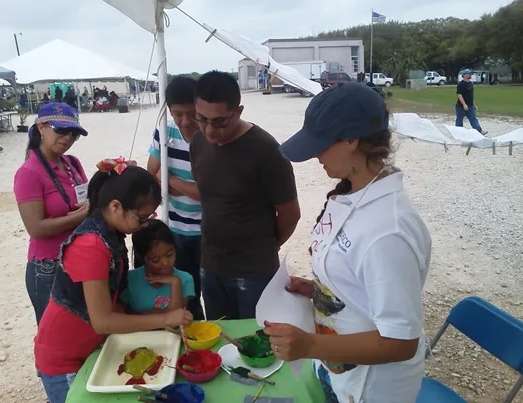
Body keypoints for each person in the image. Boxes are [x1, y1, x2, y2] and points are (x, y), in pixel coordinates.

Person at [263, 82, 432, 403]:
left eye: (320, 145)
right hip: (338, 370)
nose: (315, 156)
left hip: (372, 389)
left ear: (352, 140)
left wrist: (309, 345)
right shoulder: (354, 192)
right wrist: (319, 291)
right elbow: (360, 282)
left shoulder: (388, 231)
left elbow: (401, 342)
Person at [34, 159, 194, 403]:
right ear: (116, 206)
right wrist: (165, 318)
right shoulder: (91, 246)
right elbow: (102, 321)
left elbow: (114, 304)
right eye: (142, 218)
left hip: (91, 347)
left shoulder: (113, 233)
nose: (145, 224)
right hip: (64, 357)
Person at [190, 70, 301, 320]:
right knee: (221, 337)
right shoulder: (198, 142)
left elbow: (290, 214)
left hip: (255, 273)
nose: (209, 129)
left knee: (257, 343)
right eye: (202, 119)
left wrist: (264, 248)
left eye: (219, 122)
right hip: (211, 265)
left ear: (238, 112)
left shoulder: (266, 151)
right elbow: (209, 197)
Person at [14, 102, 89, 324]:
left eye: (74, 134)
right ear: (41, 128)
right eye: (60, 130)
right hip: (48, 267)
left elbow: (85, 199)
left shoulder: (72, 163)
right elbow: (36, 228)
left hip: (78, 258)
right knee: (55, 336)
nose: (67, 138)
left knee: (80, 330)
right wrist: (83, 215)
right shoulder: (29, 173)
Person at [146, 76, 204, 320]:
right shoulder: (164, 130)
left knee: (210, 292)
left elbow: (209, 192)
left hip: (208, 231)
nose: (186, 121)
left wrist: (169, 180)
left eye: (192, 113)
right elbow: (151, 174)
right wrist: (189, 187)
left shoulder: (210, 133)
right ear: (169, 111)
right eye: (178, 114)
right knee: (186, 295)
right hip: (176, 229)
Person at [121, 219, 195, 314]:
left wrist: (175, 283)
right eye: (156, 260)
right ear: (142, 258)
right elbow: (121, 315)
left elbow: (176, 320)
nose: (165, 263)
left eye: (169, 254)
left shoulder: (185, 279)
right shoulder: (130, 280)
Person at [456, 68, 487, 135]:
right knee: (459, 120)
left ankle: (479, 131)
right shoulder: (461, 84)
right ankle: (458, 133)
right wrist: (464, 104)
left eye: (470, 73)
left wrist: (474, 104)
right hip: (461, 107)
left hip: (470, 106)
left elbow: (471, 96)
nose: (470, 75)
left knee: (473, 119)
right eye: (469, 73)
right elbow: (459, 95)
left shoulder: (470, 83)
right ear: (464, 75)